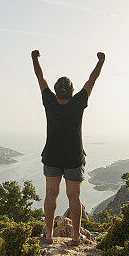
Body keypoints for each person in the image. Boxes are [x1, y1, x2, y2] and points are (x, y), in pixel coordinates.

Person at [31, 49, 105, 245]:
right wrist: (100, 61)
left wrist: (35, 59)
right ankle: (75, 236)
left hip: (52, 156)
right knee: (74, 197)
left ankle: (48, 235)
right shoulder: (79, 102)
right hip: (73, 158)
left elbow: (40, 78)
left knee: (50, 194)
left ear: (56, 91)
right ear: (72, 91)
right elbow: (92, 80)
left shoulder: (49, 101)